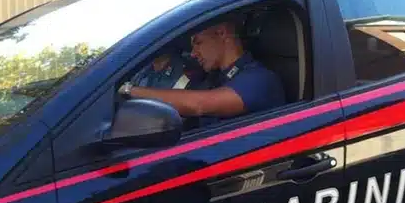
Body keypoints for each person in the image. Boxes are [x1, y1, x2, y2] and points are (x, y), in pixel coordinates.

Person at [119, 20, 285, 122]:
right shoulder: (212, 77)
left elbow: (198, 105)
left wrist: (128, 90)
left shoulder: (259, 79)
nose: (193, 53)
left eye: (198, 43)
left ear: (221, 33)